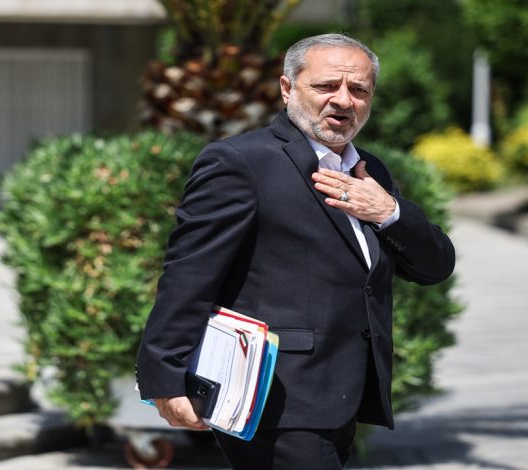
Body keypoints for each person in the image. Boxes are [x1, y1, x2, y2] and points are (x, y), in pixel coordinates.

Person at [135, 33, 456, 469]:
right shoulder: (241, 162)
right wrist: (165, 378)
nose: (343, 100)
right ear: (287, 89)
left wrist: (388, 212)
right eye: (326, 86)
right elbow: (189, 275)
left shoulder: (369, 172)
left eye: (359, 89)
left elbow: (434, 266)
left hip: (343, 394)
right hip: (273, 398)